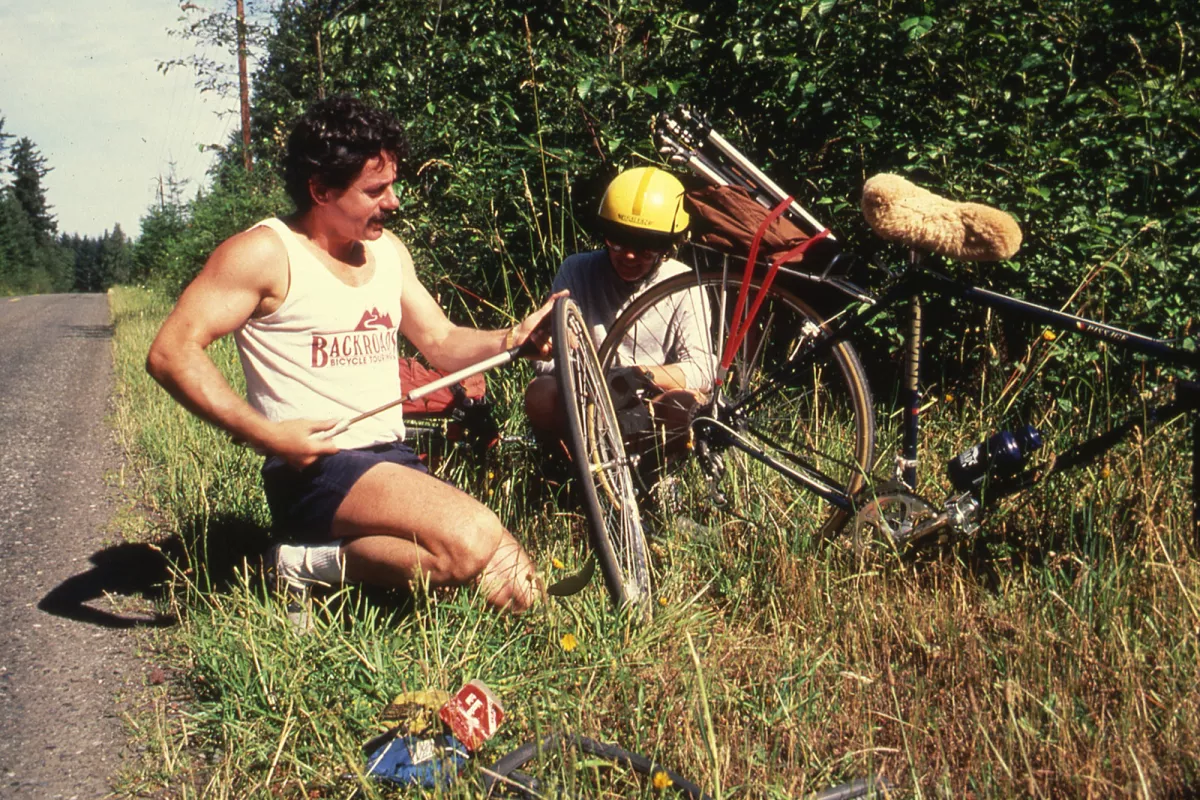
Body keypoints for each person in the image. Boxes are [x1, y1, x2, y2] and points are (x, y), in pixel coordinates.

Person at [147, 96, 556, 615]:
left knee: (521, 592)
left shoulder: (387, 251)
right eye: (376, 190)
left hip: (391, 460)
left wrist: (511, 340)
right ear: (321, 190)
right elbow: (170, 352)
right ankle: (296, 565)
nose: (395, 202)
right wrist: (265, 435)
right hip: (316, 468)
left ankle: (316, 563)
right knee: (471, 540)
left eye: (394, 184)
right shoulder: (265, 253)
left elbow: (440, 341)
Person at [524, 166, 714, 447]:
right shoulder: (576, 270)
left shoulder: (684, 284)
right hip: (586, 398)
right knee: (540, 393)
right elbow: (547, 359)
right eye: (617, 241)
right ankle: (567, 469)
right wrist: (600, 384)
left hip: (653, 399)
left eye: (645, 247)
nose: (628, 255)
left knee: (686, 403)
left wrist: (638, 376)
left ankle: (658, 473)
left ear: (667, 247)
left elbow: (702, 369)